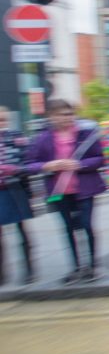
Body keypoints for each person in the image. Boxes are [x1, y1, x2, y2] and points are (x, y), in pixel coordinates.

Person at [25, 99, 107, 284]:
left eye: (70, 114)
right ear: (51, 117)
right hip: (58, 191)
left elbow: (100, 158)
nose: (67, 118)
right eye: (62, 115)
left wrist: (80, 164)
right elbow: (29, 164)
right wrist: (49, 165)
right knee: (68, 229)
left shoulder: (86, 134)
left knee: (86, 225)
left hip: (84, 189)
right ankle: (76, 267)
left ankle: (93, 266)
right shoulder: (42, 138)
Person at [0, 107, 35, 285]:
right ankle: (2, 274)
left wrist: (16, 171)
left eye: (2, 120)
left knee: (22, 230)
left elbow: (26, 163)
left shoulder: (15, 137)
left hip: (14, 189)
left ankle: (29, 270)